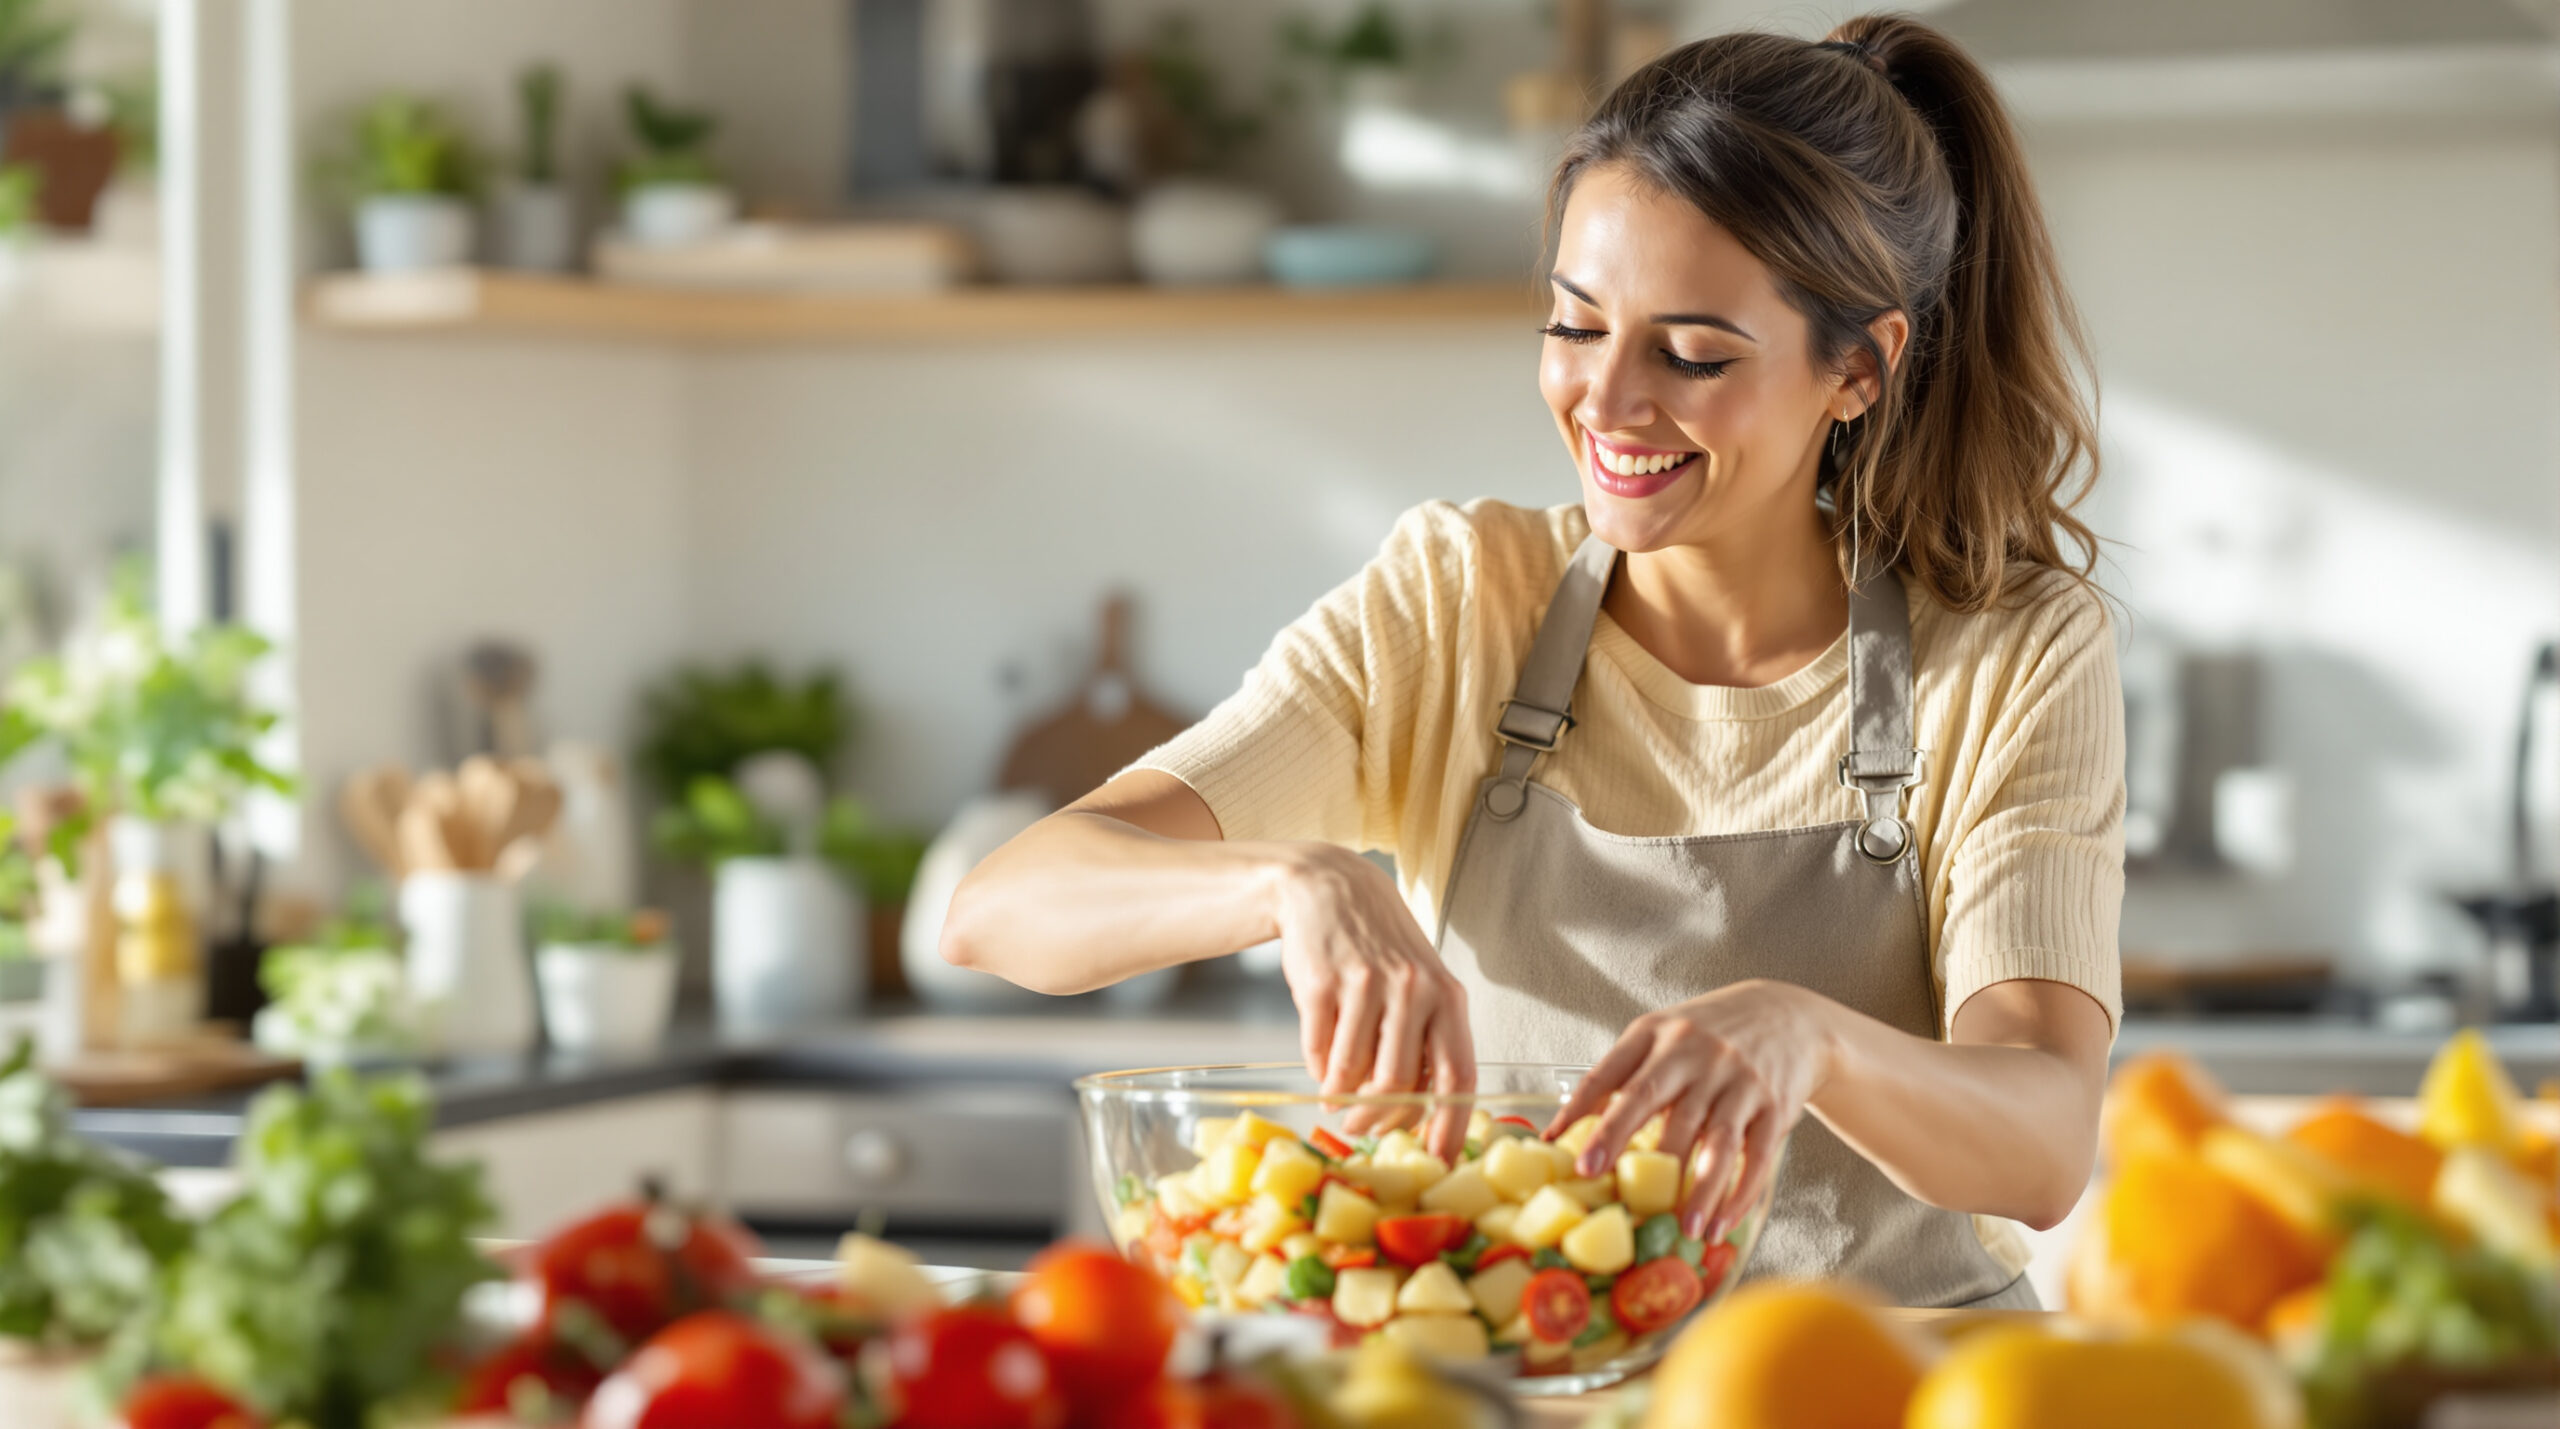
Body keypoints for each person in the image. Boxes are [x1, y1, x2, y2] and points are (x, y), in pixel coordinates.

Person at [944, 13, 2121, 1309]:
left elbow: (2044, 1138)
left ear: (1858, 367)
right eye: (1575, 325)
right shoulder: (1459, 601)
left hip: (1889, 1384)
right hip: (1526, 1380)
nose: (1607, 402)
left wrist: (1812, 1036)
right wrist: (1291, 880)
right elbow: (1003, 906)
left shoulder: (2010, 651)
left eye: (1690, 353)